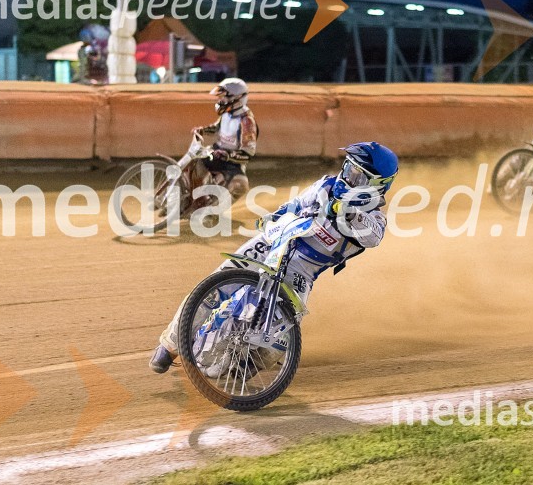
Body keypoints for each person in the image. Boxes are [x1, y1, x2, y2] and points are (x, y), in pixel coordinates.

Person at [149, 141, 399, 373]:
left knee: (281, 336)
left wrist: (349, 212)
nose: (346, 176)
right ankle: (169, 346)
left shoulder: (376, 220)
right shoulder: (326, 185)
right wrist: (273, 217)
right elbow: (296, 204)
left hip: (302, 270)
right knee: (216, 283)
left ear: (376, 184)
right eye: (347, 167)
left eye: (356, 175)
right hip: (272, 243)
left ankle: (246, 371)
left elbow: (372, 237)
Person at [191, 78, 258, 205]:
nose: (220, 100)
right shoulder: (227, 113)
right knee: (195, 163)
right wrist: (203, 130)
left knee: (239, 185)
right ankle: (191, 197)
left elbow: (248, 152)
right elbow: (217, 127)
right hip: (216, 153)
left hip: (232, 163)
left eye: (223, 97)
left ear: (236, 98)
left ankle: (211, 208)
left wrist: (228, 155)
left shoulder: (246, 121)